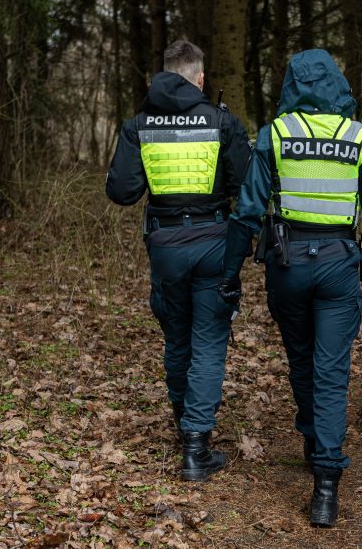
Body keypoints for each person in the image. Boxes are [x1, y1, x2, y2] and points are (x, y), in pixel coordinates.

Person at [219, 49, 362, 527]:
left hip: (288, 263)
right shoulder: (358, 137)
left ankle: (311, 437)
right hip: (340, 266)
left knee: (301, 360)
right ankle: (325, 487)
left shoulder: (274, 135)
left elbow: (246, 212)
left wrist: (229, 273)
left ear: (290, 87)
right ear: (338, 85)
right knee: (331, 371)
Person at [105, 40, 251, 481]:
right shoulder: (222, 122)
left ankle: (181, 420)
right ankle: (195, 448)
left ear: (166, 73)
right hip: (213, 241)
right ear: (200, 78)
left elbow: (122, 192)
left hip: (165, 245)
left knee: (177, 337)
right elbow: (245, 185)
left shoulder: (139, 125)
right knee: (208, 341)